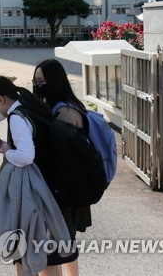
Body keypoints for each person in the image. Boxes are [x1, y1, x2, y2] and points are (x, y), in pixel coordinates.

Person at [0, 76, 77, 276]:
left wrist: (6, 149)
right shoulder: (30, 108)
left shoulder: (16, 117)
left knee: (30, 255)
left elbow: (26, 156)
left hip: (35, 194)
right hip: (50, 188)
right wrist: (2, 146)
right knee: (50, 257)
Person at [33, 59, 93, 276]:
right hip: (70, 188)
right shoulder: (65, 105)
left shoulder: (64, 111)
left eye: (42, 81)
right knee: (65, 245)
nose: (38, 85)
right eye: (36, 80)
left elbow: (64, 157)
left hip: (65, 191)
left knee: (52, 252)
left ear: (54, 81)